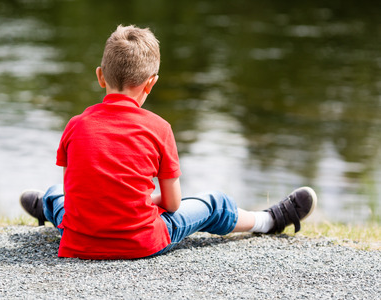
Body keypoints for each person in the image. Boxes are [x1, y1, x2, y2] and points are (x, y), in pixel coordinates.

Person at [20, 25, 317, 260]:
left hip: (80, 243)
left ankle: (46, 207)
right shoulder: (159, 128)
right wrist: (141, 199)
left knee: (58, 194)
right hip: (141, 243)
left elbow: (75, 193)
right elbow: (173, 203)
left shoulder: (75, 125)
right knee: (212, 203)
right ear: (152, 83)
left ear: (100, 77)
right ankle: (269, 220)